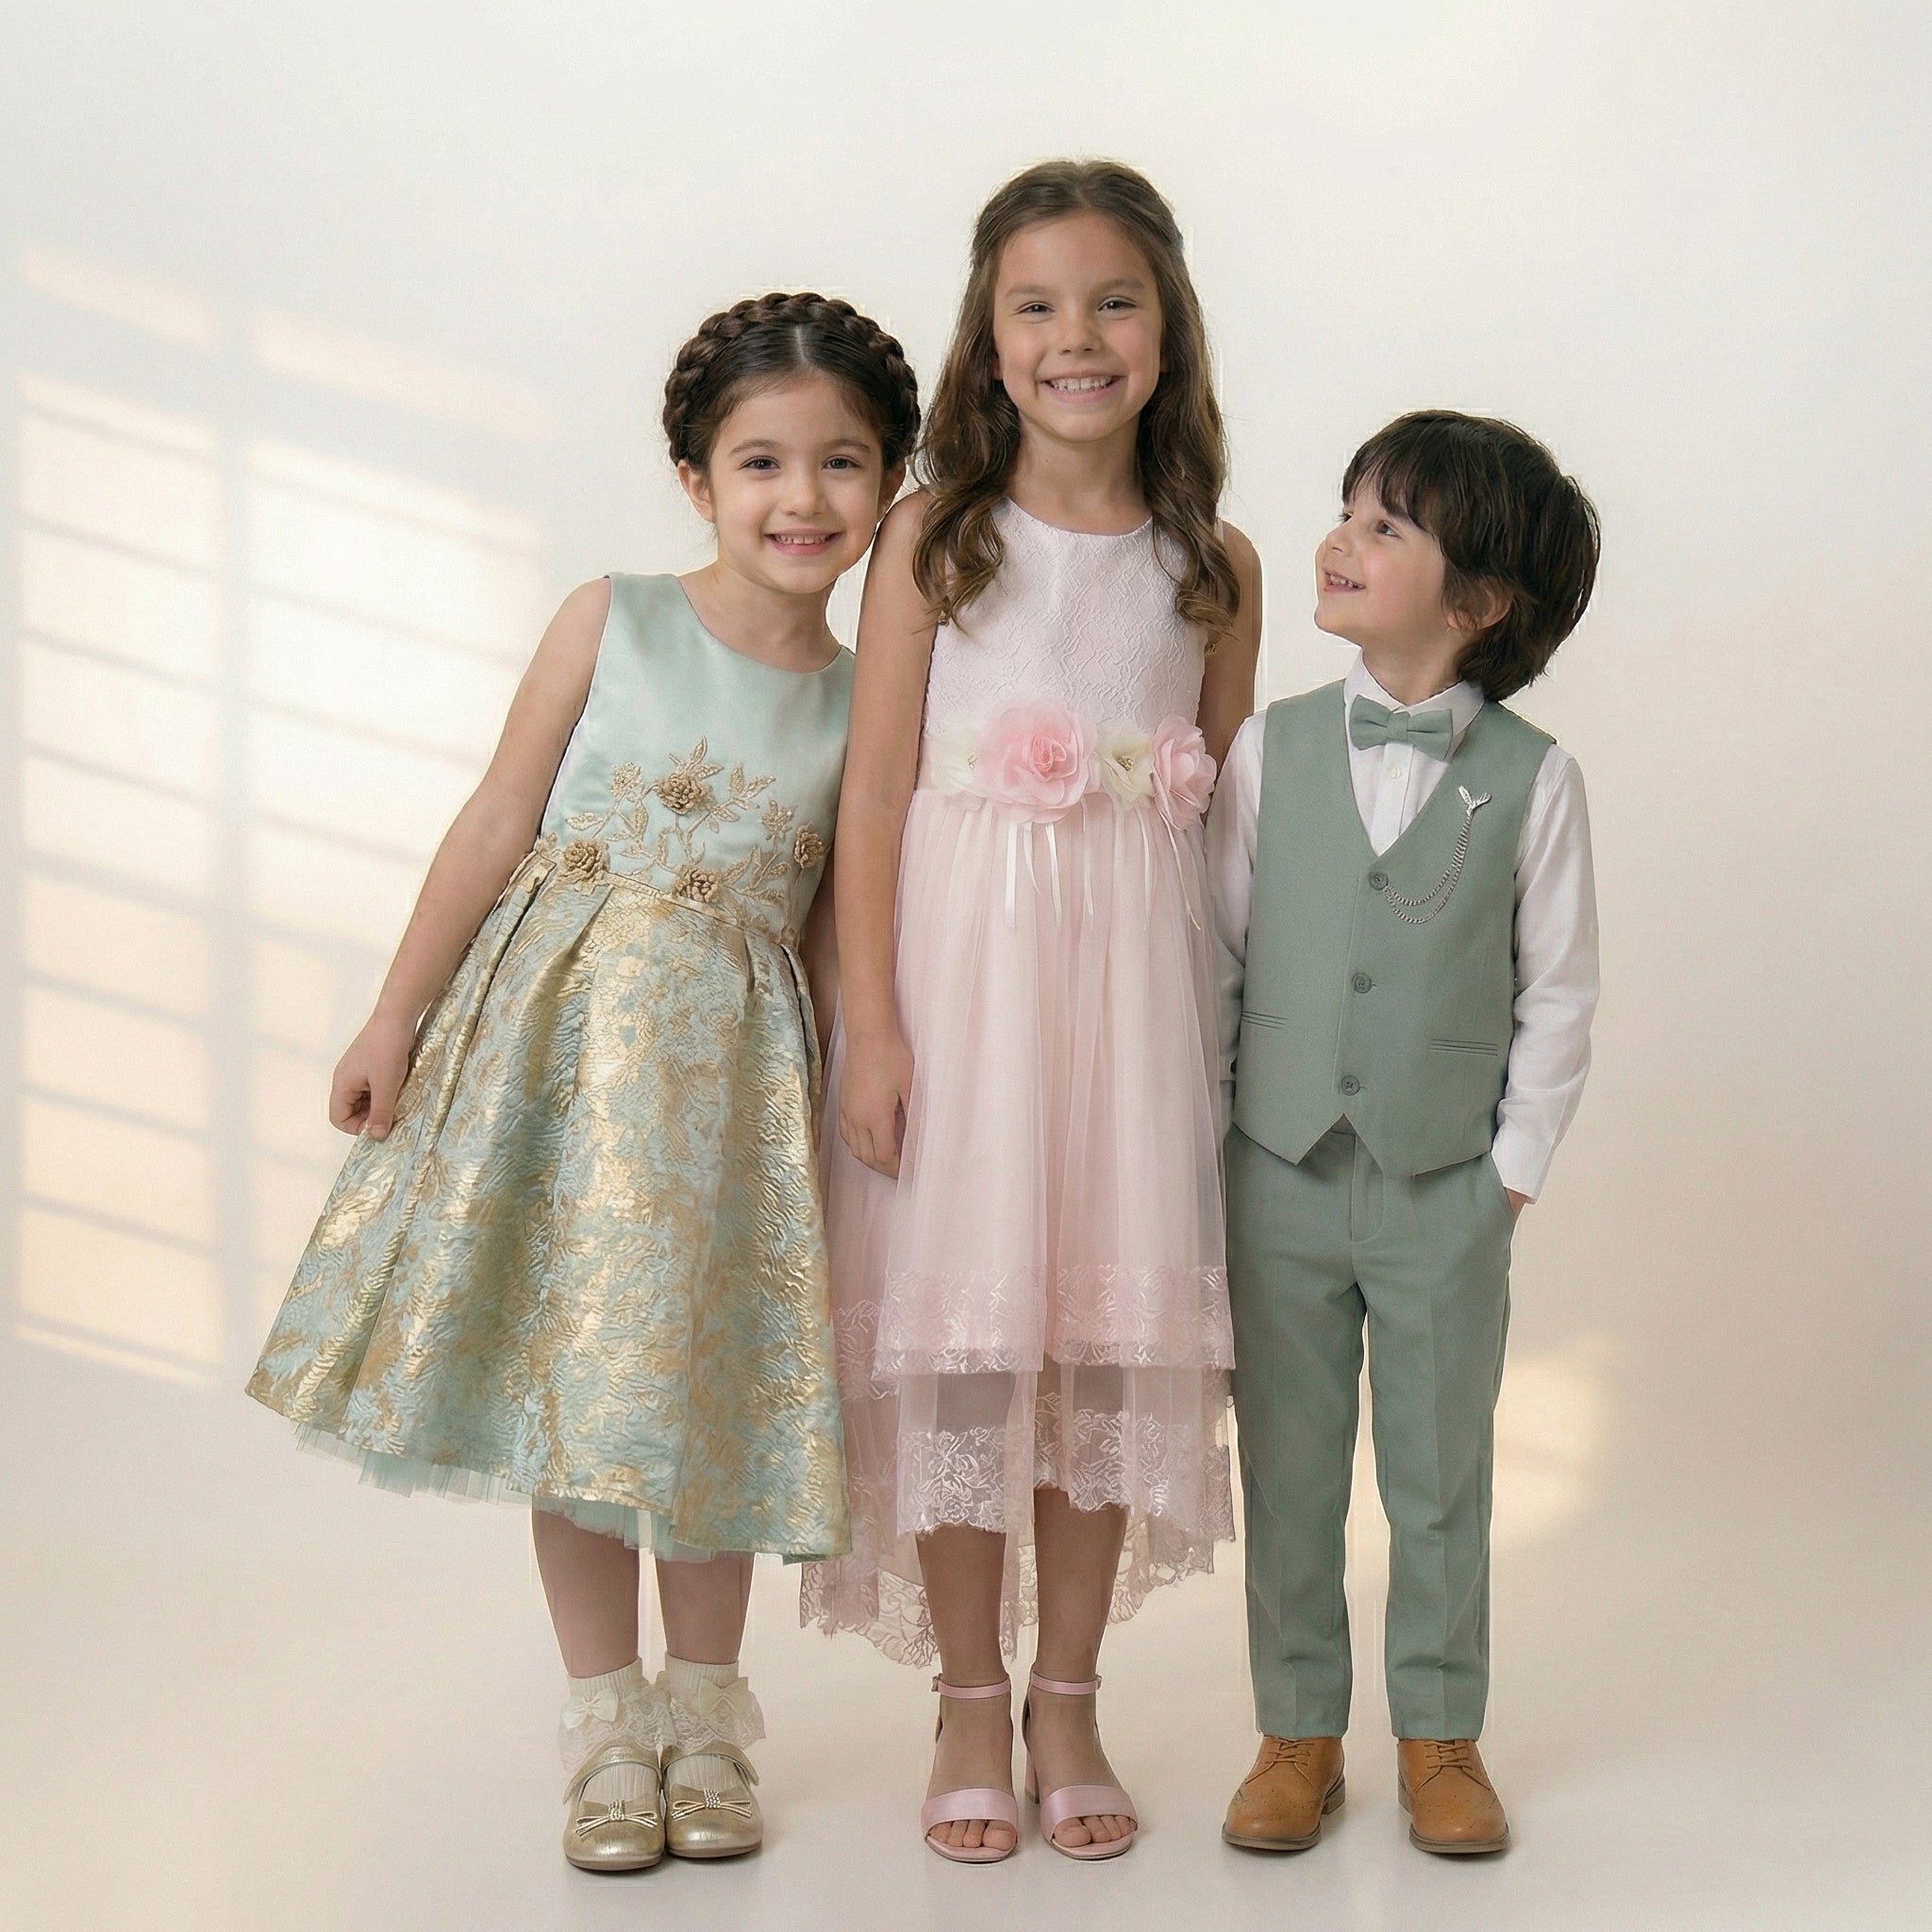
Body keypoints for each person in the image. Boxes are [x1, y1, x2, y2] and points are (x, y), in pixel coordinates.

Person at [246, 292, 918, 1873]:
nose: (802, 499)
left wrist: (848, 1094)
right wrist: (393, 1014)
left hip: (734, 1093)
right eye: (761, 462)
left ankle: (705, 1722)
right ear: (695, 478)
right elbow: (495, 820)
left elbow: (840, 915)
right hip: (559, 1050)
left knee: (700, 1398)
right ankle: (606, 1725)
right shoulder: (612, 616)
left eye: (842, 463)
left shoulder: (864, 700)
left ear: (892, 485)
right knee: (574, 1397)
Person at [804, 158, 1260, 1863]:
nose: (1079, 336)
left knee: (1102, 1333)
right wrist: (878, 1021)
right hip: (963, 980)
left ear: (1169, 328)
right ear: (989, 343)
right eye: (1038, 306)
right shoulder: (937, 534)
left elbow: (1209, 820)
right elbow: (870, 796)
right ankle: (968, 1701)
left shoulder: (1215, 560)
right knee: (976, 1340)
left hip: (1130, 998)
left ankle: (1069, 1692)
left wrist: (1221, 1044)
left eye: (1115, 300)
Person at [1210, 409, 1600, 1857]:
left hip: (1445, 1186)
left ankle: (1442, 1734)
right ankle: (1295, 1735)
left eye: (1387, 527)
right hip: (1277, 1172)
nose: (1342, 540)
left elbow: (1559, 994)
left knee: (1442, 1473)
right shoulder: (1272, 748)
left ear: (1481, 600)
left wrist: (1506, 1179)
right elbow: (1219, 963)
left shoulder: (1537, 779)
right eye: (1348, 510)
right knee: (1290, 1469)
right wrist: (1213, 1155)